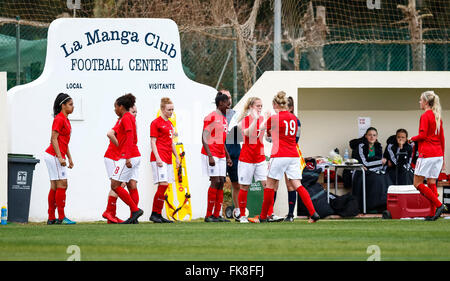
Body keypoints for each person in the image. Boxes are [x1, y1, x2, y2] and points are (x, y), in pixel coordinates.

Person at [255, 91, 319, 223]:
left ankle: (262, 216)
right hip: (293, 155)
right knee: (297, 185)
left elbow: (261, 130)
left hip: (279, 154)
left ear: (274, 104)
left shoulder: (274, 118)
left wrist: (266, 117)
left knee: (269, 186)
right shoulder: (294, 118)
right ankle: (313, 213)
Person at [409, 90, 447, 221]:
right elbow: (442, 139)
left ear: (425, 102)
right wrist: (443, 158)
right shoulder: (437, 116)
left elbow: (423, 135)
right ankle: (432, 213)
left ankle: (439, 205)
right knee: (431, 182)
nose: (419, 102)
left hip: (427, 154)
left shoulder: (425, 115)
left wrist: (411, 139)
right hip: (437, 155)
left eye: (420, 100)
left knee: (417, 183)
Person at [110, 93, 143, 224]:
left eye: (115, 107)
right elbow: (135, 138)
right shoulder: (129, 117)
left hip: (128, 156)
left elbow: (130, 138)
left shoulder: (126, 117)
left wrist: (127, 156)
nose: (115, 109)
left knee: (115, 184)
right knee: (130, 184)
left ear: (121, 106)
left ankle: (135, 210)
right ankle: (134, 215)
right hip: (131, 155)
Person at [102, 105, 138, 224]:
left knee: (128, 184)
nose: (135, 114)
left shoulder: (129, 121)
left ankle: (114, 215)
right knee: (118, 184)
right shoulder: (122, 120)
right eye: (133, 111)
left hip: (120, 156)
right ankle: (110, 213)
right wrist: (120, 147)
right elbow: (110, 133)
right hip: (113, 156)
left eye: (136, 112)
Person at [44, 93, 76, 225]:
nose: (73, 107)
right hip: (54, 155)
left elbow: (64, 142)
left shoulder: (66, 120)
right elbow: (53, 138)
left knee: (55, 185)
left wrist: (69, 158)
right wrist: (59, 157)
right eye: (70, 104)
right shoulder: (59, 119)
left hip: (56, 155)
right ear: (63, 105)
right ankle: (61, 217)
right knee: (63, 184)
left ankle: (51, 217)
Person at [236, 97, 268, 223]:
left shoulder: (262, 119)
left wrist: (266, 125)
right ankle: (242, 215)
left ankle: (267, 214)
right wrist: (255, 120)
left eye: (261, 106)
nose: (260, 108)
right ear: (251, 107)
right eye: (257, 106)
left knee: (267, 186)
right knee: (244, 187)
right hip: (247, 158)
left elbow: (263, 137)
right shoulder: (245, 120)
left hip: (259, 158)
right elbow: (248, 134)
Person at [202, 92, 233, 222]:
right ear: (221, 103)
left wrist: (228, 156)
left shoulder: (224, 119)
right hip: (212, 153)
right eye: (227, 103)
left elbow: (222, 140)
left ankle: (217, 215)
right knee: (215, 181)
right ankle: (208, 215)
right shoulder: (211, 117)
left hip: (221, 154)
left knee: (221, 182)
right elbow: (204, 137)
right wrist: (210, 156)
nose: (229, 105)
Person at [149, 97, 181, 223]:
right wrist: (157, 157)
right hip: (159, 157)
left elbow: (171, 142)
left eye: (172, 109)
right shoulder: (155, 123)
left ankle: (158, 214)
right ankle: (154, 213)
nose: (171, 112)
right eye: (169, 109)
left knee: (165, 185)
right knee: (162, 185)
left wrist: (177, 157)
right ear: (162, 109)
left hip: (168, 158)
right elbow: (153, 141)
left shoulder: (170, 124)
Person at [350, 127, 392, 212]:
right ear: (365, 136)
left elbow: (381, 164)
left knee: (386, 177)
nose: (372, 137)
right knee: (376, 179)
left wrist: (380, 164)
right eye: (370, 135)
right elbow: (364, 163)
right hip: (360, 171)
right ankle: (371, 207)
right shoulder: (361, 146)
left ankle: (383, 205)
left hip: (374, 170)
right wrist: (380, 162)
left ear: (376, 137)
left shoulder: (378, 146)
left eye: (374, 135)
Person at [222, 90, 243, 220]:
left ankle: (237, 210)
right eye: (225, 98)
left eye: (229, 98)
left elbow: (238, 137)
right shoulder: (215, 115)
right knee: (218, 183)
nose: (228, 101)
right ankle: (217, 212)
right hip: (220, 155)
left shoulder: (236, 116)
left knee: (236, 184)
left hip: (235, 154)